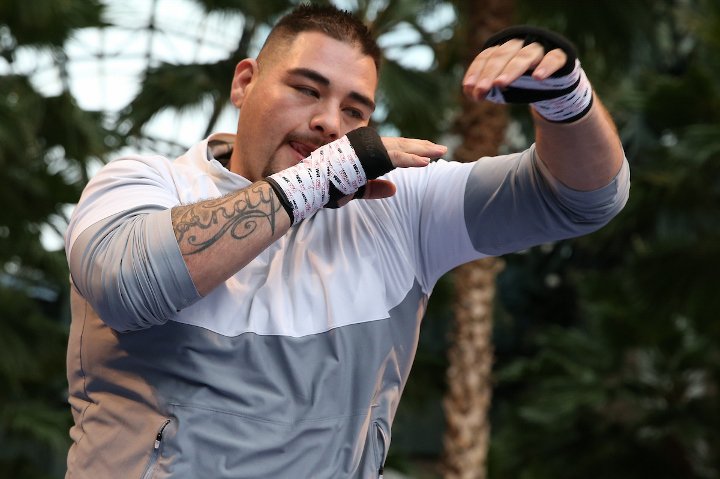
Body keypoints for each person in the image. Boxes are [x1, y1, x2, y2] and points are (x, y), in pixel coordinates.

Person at [64, 4, 629, 478]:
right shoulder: (144, 182)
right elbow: (129, 283)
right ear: (245, 82)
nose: (330, 124)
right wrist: (317, 180)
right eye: (306, 90)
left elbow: (582, 198)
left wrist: (565, 98)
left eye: (355, 111)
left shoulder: (397, 205)